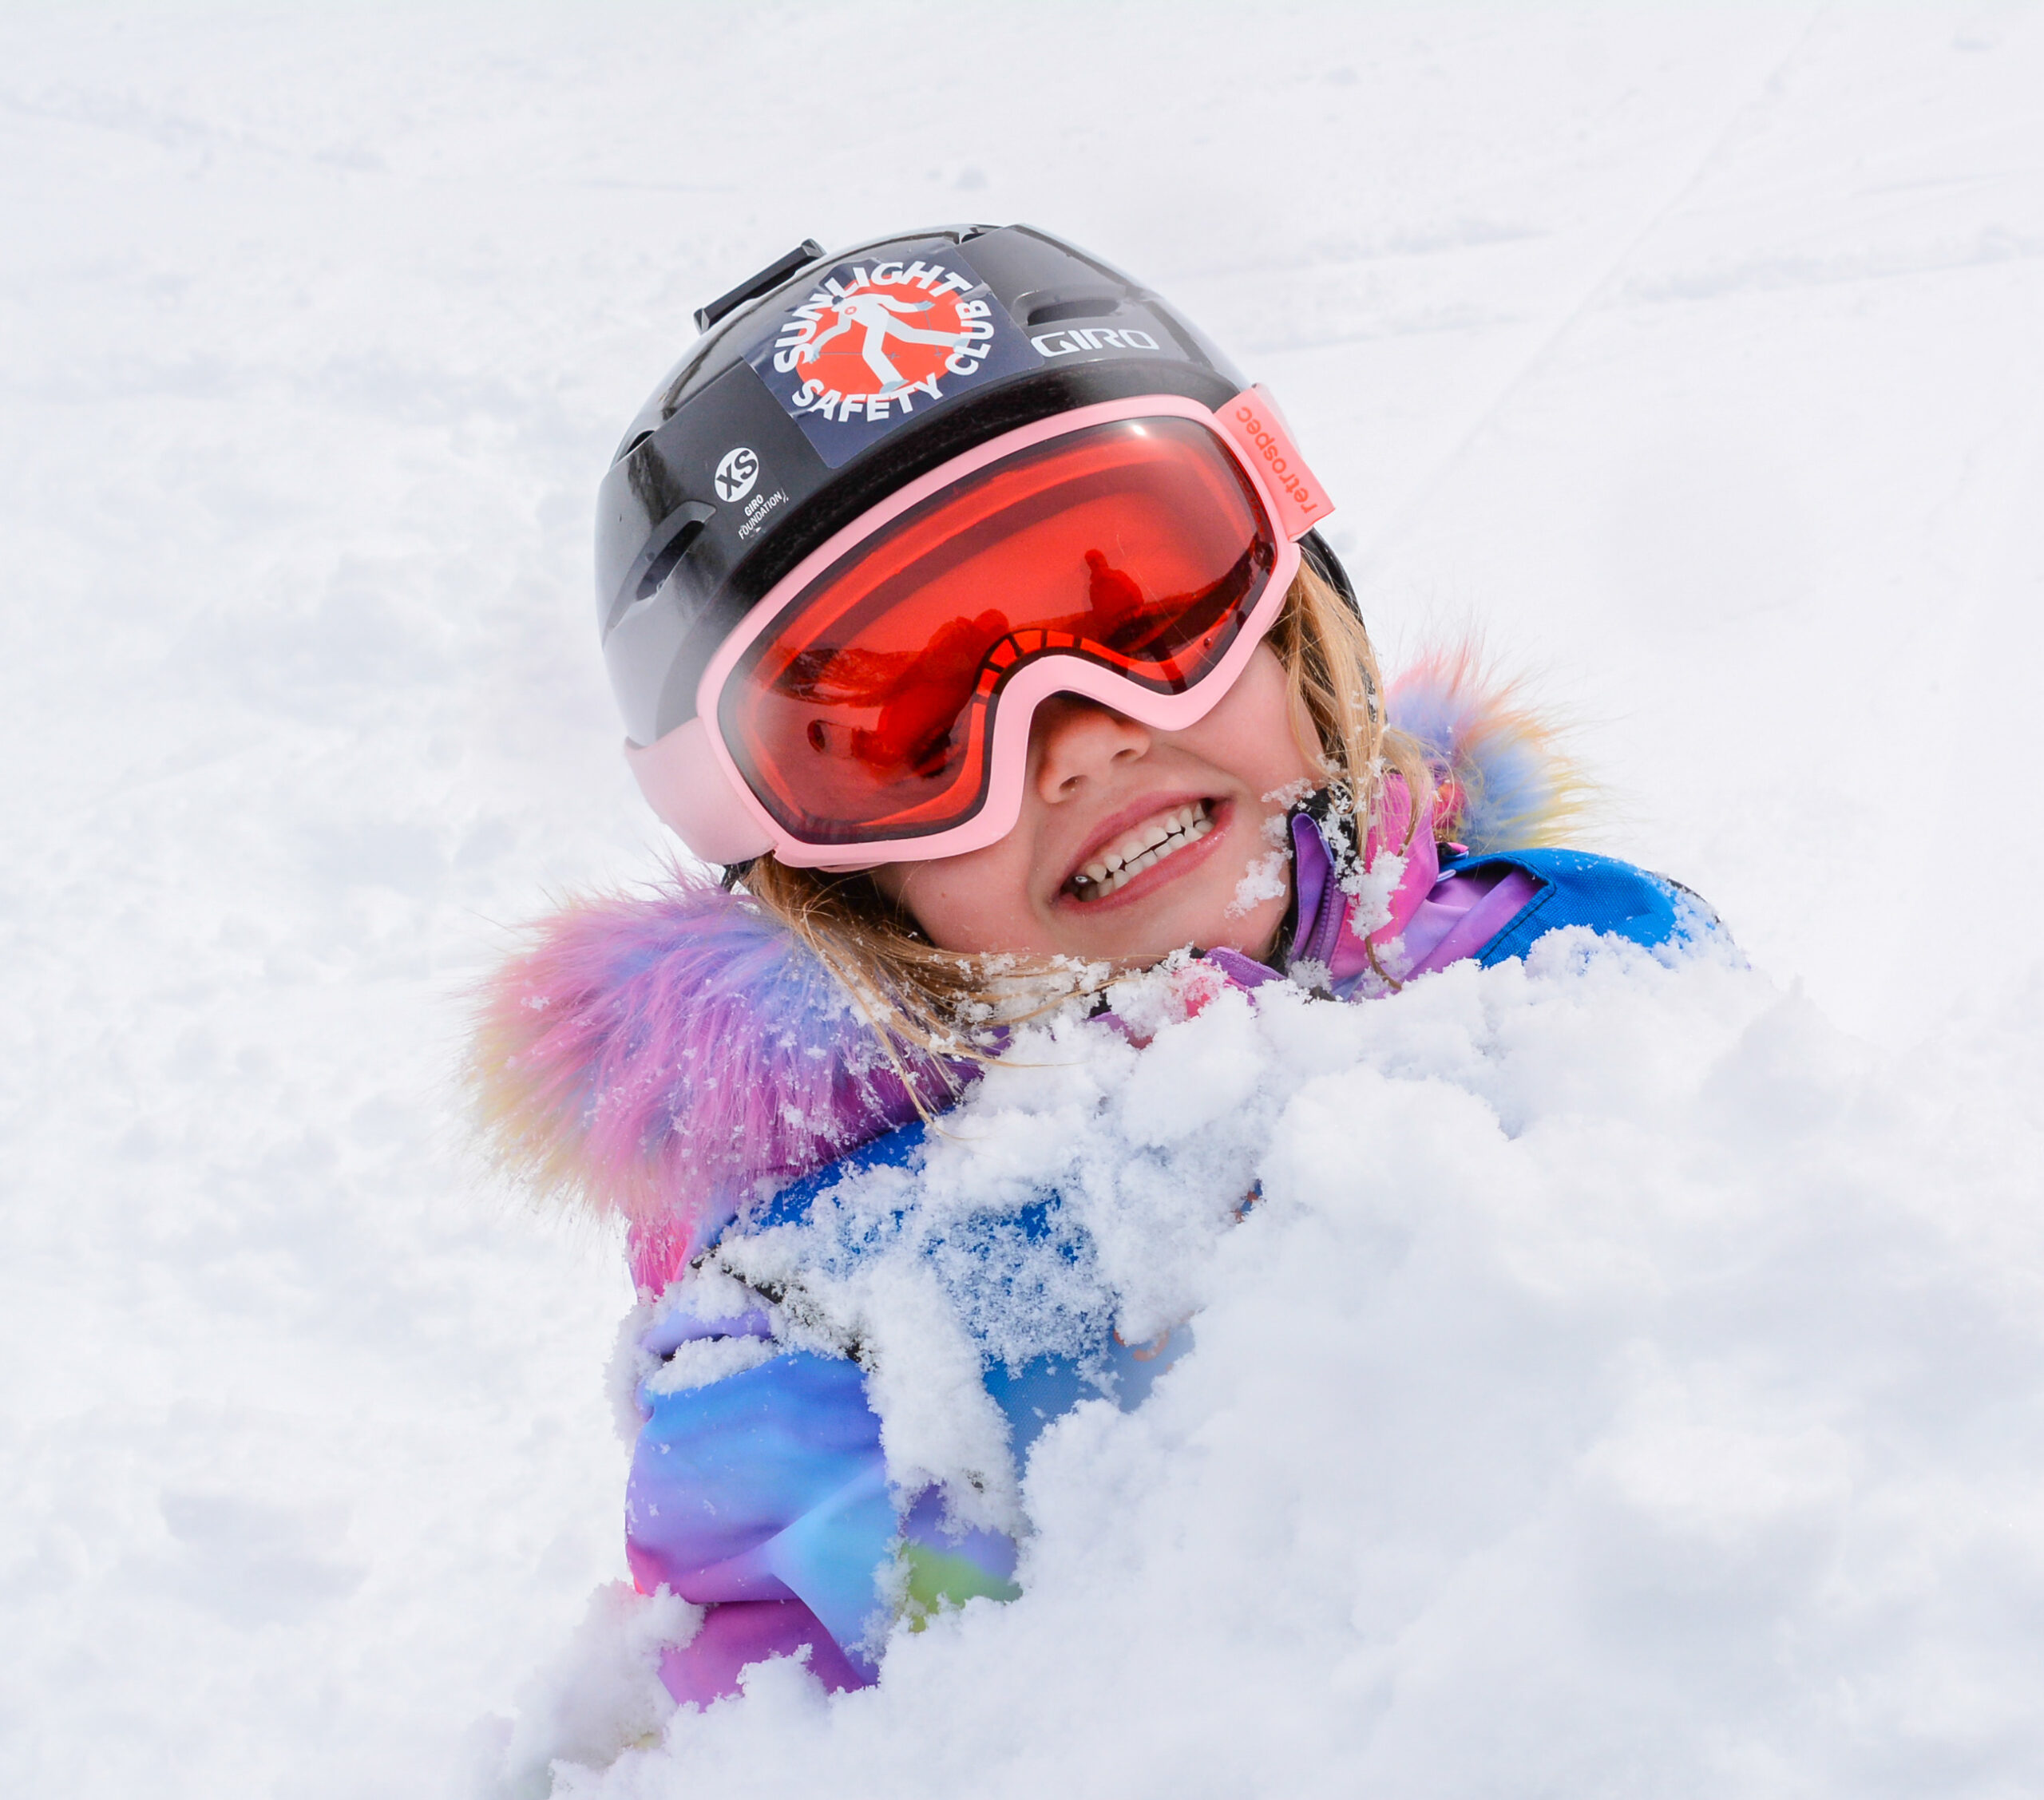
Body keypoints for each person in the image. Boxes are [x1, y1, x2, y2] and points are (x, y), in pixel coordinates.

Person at [473, 225, 1716, 1707]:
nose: (1083, 734)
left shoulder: (1576, 953)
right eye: (911, 727)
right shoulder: (817, 1358)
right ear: (806, 870)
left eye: (1147, 607)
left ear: (1292, 594)